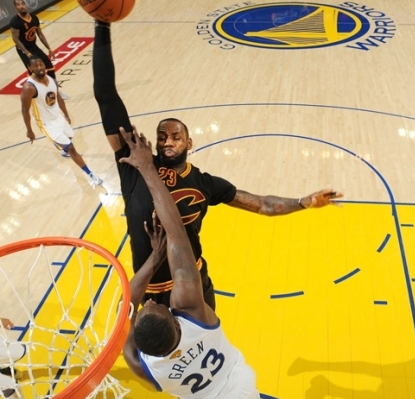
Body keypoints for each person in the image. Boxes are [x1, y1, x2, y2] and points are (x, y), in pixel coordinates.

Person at [92, 20, 343, 308]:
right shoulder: (135, 164)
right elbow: (106, 95)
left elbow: (262, 204)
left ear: (189, 143)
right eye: (162, 137)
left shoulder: (204, 183)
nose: (168, 141)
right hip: (151, 290)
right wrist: (102, 26)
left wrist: (303, 202)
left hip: (194, 286)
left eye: (176, 137)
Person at [120, 126, 266, 399]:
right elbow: (176, 236)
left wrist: (150, 261)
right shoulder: (200, 318)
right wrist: (148, 169)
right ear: (176, 320)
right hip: (242, 382)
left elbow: (123, 309)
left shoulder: (145, 368)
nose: (152, 302)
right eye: (155, 305)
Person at [21, 56, 103, 188]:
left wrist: (66, 114)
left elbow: (59, 99)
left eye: (41, 64)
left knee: (69, 137)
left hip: (58, 117)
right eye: (35, 66)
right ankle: (90, 174)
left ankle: (64, 150)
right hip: (46, 123)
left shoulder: (52, 80)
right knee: (71, 148)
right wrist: (29, 130)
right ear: (30, 68)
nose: (39, 67)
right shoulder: (29, 87)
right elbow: (25, 110)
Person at [10, 0, 56, 81]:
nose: (21, 6)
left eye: (23, 4)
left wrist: (49, 49)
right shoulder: (15, 21)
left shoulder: (34, 18)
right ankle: (35, 88)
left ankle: (53, 85)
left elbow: (40, 34)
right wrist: (27, 53)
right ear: (15, 8)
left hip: (33, 46)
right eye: (18, 5)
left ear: (26, 5)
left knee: (49, 66)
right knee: (33, 72)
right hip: (23, 50)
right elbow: (15, 39)